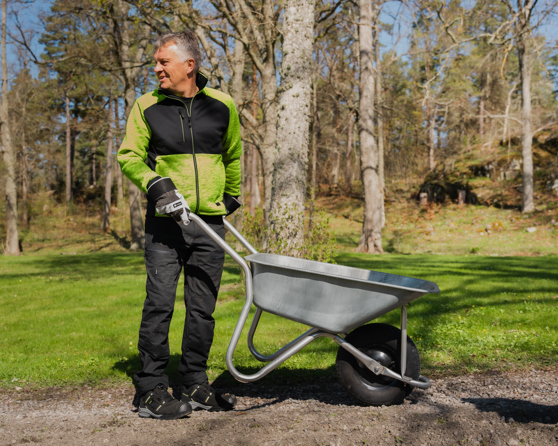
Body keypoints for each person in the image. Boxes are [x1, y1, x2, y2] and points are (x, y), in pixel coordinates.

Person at [117, 30, 242, 420]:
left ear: (189, 65)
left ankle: (194, 382)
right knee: (159, 306)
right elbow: (129, 156)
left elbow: (233, 155)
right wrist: (156, 185)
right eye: (155, 62)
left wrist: (231, 197)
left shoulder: (223, 105)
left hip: (209, 225)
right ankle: (150, 390)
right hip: (165, 226)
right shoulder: (146, 106)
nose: (156, 69)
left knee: (203, 309)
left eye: (163, 62)